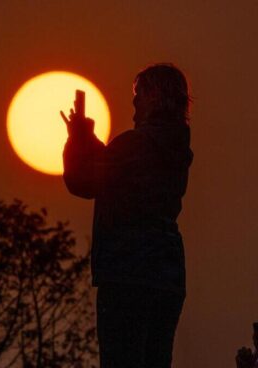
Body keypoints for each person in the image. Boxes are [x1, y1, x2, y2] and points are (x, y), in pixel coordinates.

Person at [60, 63, 193, 367]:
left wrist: (77, 139)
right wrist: (90, 141)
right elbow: (114, 169)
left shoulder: (135, 144)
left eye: (139, 95)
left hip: (126, 269)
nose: (133, 104)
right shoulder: (175, 148)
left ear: (154, 97)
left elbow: (84, 181)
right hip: (167, 272)